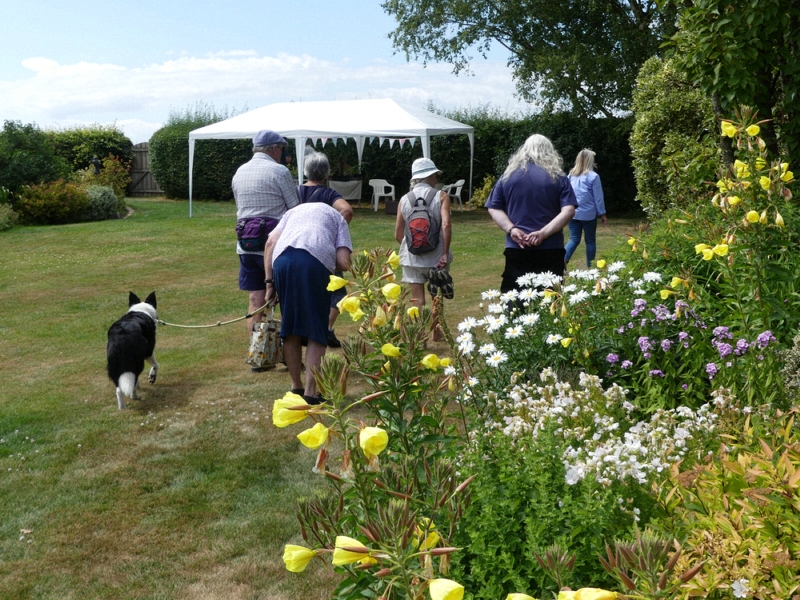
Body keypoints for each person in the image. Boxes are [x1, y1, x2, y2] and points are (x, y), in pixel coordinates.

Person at [263, 203, 352, 403]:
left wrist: (270, 284)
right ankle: (311, 393)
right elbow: (343, 262)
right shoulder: (338, 218)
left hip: (282, 262)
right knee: (316, 328)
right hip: (314, 264)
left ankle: (296, 387)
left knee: (290, 325)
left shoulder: (291, 212)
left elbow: (270, 244)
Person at [232, 129, 299, 354]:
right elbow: (295, 207)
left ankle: (257, 353)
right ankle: (287, 352)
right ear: (273, 149)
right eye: (281, 149)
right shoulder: (279, 171)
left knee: (255, 301)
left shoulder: (239, 172)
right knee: (287, 300)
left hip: (246, 245)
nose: (282, 153)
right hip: (274, 246)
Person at [485, 134, 577, 292]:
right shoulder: (559, 177)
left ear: (524, 150)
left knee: (515, 300)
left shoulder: (507, 177)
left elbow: (494, 207)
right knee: (550, 301)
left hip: (516, 247)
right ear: (550, 151)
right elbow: (568, 210)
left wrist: (511, 229)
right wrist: (542, 233)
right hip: (551, 247)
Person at [297, 151, 354, 347]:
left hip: (295, 246)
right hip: (323, 248)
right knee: (338, 292)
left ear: (306, 171)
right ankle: (326, 328)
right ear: (327, 173)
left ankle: (307, 330)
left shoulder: (295, 191)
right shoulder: (328, 194)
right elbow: (346, 210)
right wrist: (333, 230)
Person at [394, 157, 452, 340]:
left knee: (417, 300)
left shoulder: (404, 199)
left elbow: (398, 233)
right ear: (430, 176)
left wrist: (412, 246)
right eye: (435, 174)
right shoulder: (441, 196)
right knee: (437, 297)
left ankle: (418, 337)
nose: (437, 178)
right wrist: (443, 252)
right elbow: (446, 225)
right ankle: (436, 331)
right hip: (437, 258)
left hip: (412, 258)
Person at [565, 149, 607, 268]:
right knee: (590, 241)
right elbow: (598, 198)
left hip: (573, 213)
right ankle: (591, 267)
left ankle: (562, 259)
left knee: (574, 239)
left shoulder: (570, 176)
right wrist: (602, 213)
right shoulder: (593, 176)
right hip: (588, 214)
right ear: (591, 161)